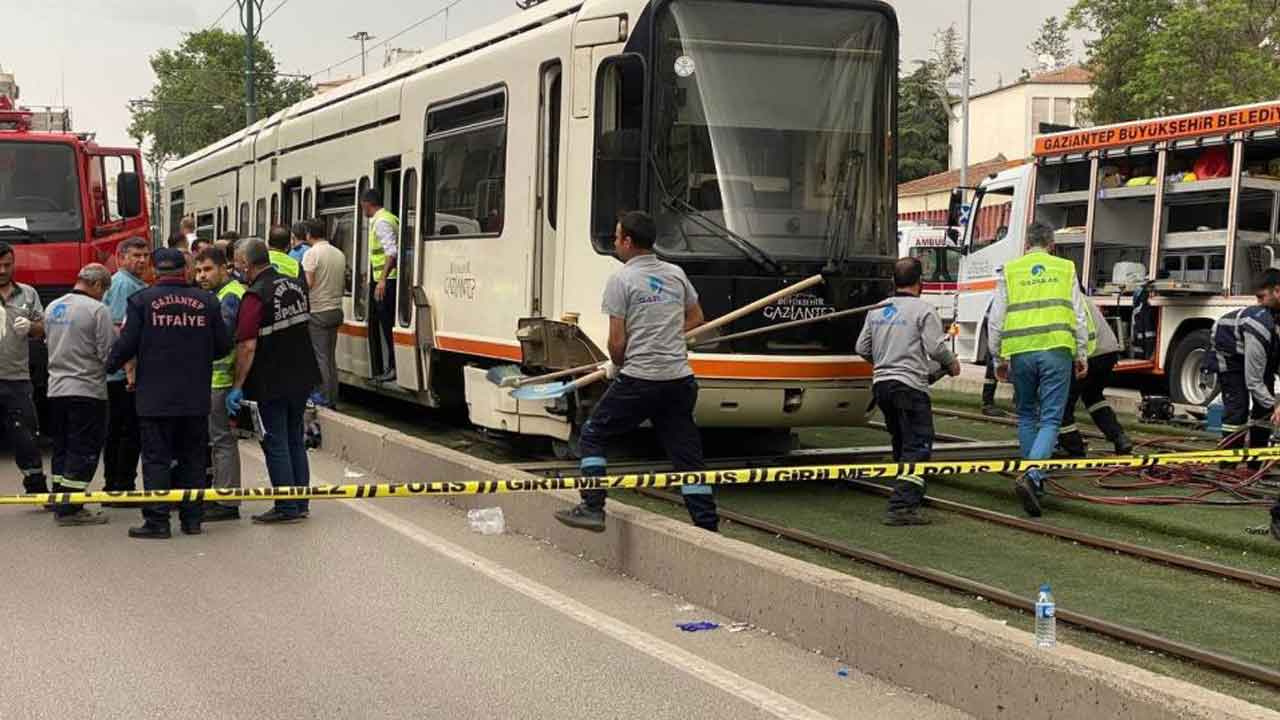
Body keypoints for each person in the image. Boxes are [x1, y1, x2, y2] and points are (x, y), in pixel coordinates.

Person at [553, 211, 719, 533]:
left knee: (593, 434)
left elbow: (616, 342)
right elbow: (697, 317)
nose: (615, 243)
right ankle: (707, 526)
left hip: (641, 379)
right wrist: (668, 335)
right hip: (680, 381)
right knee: (687, 457)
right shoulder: (675, 274)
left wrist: (617, 364)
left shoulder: (621, 279)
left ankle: (592, 506)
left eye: (616, 238)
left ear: (628, 242)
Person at [106, 248, 232, 539]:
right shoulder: (207, 302)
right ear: (185, 271)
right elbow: (224, 346)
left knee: (156, 459)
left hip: (155, 397)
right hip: (195, 395)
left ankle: (157, 521)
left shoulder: (141, 301)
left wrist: (108, 367)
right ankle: (192, 520)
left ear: (155, 271)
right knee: (193, 459)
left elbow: (126, 344)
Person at [988, 222, 1089, 517]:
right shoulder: (1066, 268)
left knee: (1027, 415)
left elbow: (996, 319)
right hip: (1056, 350)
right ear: (1052, 244)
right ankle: (1033, 477)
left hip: (1021, 352)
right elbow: (1078, 314)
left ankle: (1034, 478)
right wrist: (1081, 352)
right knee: (1051, 418)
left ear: (1026, 244)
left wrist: (998, 359)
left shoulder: (1011, 270)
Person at [856, 257, 960, 526]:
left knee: (901, 441)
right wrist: (951, 363)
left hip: (882, 386)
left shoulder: (877, 310)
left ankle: (908, 489)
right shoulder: (923, 311)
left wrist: (884, 362)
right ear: (920, 284)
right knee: (918, 443)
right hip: (910, 387)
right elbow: (936, 348)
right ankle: (902, 505)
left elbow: (862, 348)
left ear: (894, 281)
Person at [227, 238, 321, 524]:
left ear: (246, 263)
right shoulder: (293, 284)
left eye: (238, 262)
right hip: (302, 374)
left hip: (272, 379)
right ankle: (300, 502)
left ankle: (286, 507)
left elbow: (247, 345)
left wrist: (237, 386)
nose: (237, 267)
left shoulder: (256, 295)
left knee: (275, 440)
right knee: (295, 439)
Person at [1206, 268, 1280, 542]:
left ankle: (1255, 463)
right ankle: (1227, 463)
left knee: (1264, 406)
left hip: (1258, 349)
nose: (1258, 302)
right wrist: (1275, 406)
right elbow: (1253, 380)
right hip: (1229, 351)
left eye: (1262, 297)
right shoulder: (1259, 326)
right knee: (1237, 408)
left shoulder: (1274, 323)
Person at [44, 264, 115, 526]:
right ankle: (71, 508)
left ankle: (60, 497)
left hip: (56, 389)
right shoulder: (98, 310)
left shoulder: (53, 307)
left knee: (61, 446)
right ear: (97, 285)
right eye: (104, 290)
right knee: (83, 447)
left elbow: (48, 344)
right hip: (87, 390)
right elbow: (107, 353)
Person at [193, 246, 245, 522]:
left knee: (222, 440)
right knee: (217, 440)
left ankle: (226, 501)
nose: (202, 276)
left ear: (224, 268)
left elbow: (221, 341)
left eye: (208, 269)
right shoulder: (217, 295)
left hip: (220, 380)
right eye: (198, 270)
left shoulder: (228, 298)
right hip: (214, 379)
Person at [101, 237, 149, 499]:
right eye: (136, 255)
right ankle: (119, 485)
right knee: (124, 432)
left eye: (145, 255)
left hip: (123, 372)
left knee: (125, 431)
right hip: (122, 375)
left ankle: (119, 483)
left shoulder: (135, 284)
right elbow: (121, 330)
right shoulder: (123, 285)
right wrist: (129, 369)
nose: (142, 260)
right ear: (121, 257)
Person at [1057, 297, 1134, 457]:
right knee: (1093, 397)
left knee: (1062, 405)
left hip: (1088, 354)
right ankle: (1119, 437)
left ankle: (1074, 449)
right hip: (1108, 351)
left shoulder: (1062, 300)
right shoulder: (1084, 299)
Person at [0, 242, 48, 496]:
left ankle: (36, 487)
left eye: (7, 264)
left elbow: (43, 327)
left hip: (16, 377)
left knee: (25, 435)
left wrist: (31, 327)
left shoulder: (27, 294)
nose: (2, 270)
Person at [301, 217, 344, 408]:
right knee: (330, 357)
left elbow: (308, 283)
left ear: (309, 234)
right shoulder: (338, 253)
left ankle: (324, 398)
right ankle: (333, 397)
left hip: (318, 310)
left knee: (320, 357)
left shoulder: (312, 254)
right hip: (336, 310)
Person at [361, 188, 398, 381]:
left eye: (362, 205)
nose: (362, 209)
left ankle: (393, 367)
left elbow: (391, 252)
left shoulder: (382, 222)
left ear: (368, 203)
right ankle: (391, 366)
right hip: (385, 278)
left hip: (388, 281)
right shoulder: (388, 218)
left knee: (387, 325)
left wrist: (382, 279)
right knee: (385, 324)